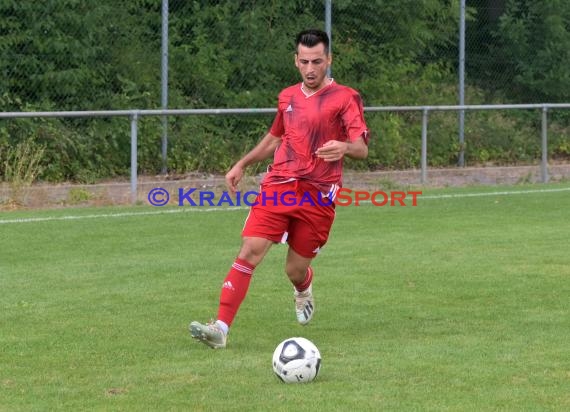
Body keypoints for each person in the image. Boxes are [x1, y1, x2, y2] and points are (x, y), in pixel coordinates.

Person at [190, 28, 369, 349]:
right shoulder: (287, 97)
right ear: (296, 61)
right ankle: (220, 328)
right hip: (279, 185)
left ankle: (304, 288)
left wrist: (343, 146)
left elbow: (361, 148)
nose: (311, 68)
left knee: (294, 269)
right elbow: (274, 138)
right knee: (249, 251)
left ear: (329, 60)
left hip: (318, 196)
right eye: (305, 61)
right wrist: (242, 164)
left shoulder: (346, 98)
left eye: (317, 61)